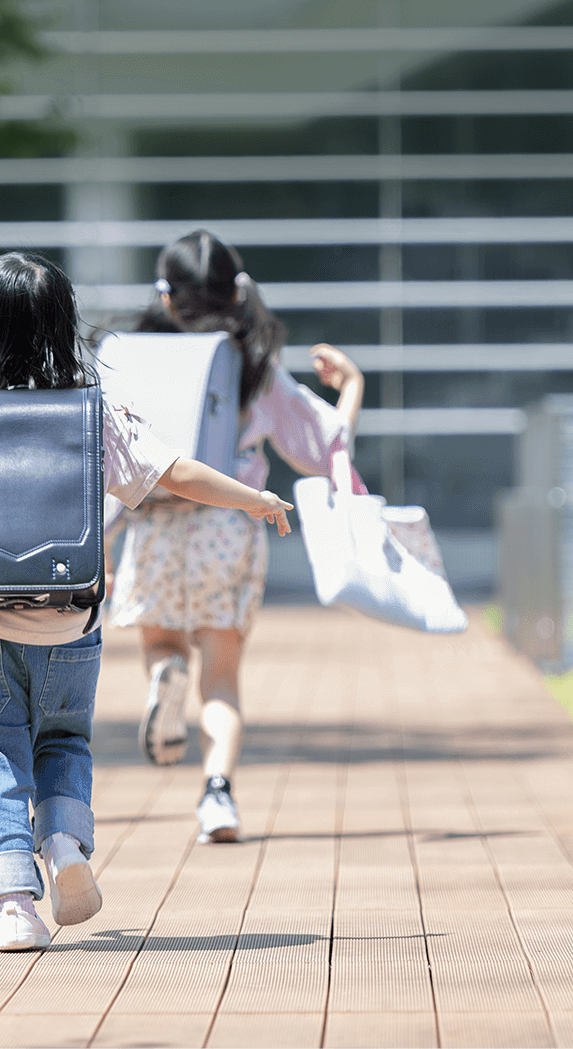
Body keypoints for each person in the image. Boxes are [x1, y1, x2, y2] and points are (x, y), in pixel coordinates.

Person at [0, 252, 292, 952]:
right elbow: (174, 470)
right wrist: (253, 498)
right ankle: (62, 841)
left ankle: (14, 903)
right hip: (69, 614)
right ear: (62, 324)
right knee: (61, 739)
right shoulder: (94, 414)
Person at [113, 230, 364, 844]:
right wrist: (352, 386)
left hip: (155, 523)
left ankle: (165, 675)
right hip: (229, 525)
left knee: (163, 644)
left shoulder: (132, 361)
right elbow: (325, 446)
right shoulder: (254, 367)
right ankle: (217, 796)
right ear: (236, 293)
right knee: (222, 679)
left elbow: (113, 458)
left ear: (166, 297)